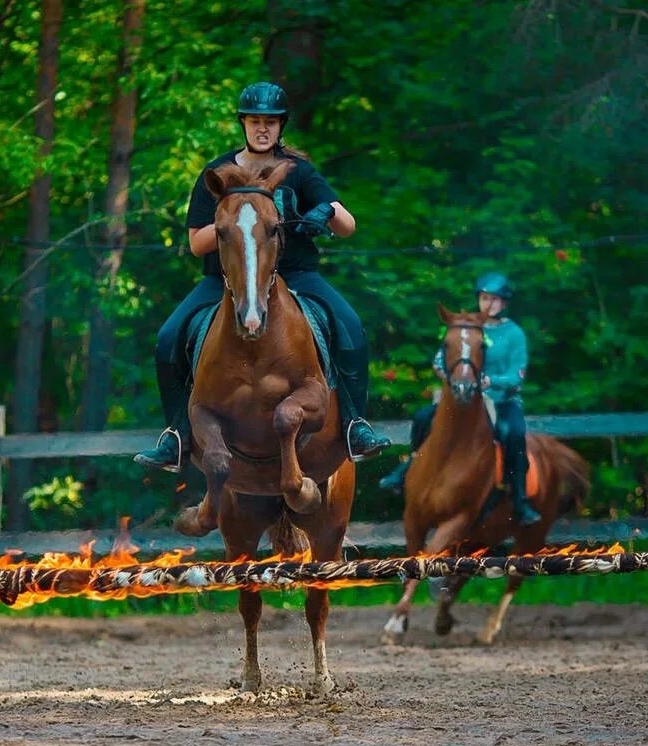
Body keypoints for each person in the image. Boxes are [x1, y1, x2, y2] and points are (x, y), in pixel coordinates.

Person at [134, 81, 391, 472]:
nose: (262, 129)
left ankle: (355, 423)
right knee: (169, 337)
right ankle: (178, 435)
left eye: (270, 122)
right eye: (255, 121)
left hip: (296, 276)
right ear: (243, 123)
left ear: (280, 126)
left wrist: (325, 213)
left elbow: (348, 225)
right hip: (227, 280)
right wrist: (233, 226)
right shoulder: (217, 173)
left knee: (351, 325)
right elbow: (195, 243)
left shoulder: (299, 171)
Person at [378, 272, 542, 525]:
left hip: (500, 400)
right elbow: (439, 361)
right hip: (461, 399)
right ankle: (408, 469)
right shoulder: (464, 326)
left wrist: (492, 381)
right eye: (485, 298)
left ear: (505, 303)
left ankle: (519, 500)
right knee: (423, 417)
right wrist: (450, 377)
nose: (489, 304)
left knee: (514, 433)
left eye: (496, 300)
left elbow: (516, 374)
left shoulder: (513, 333)